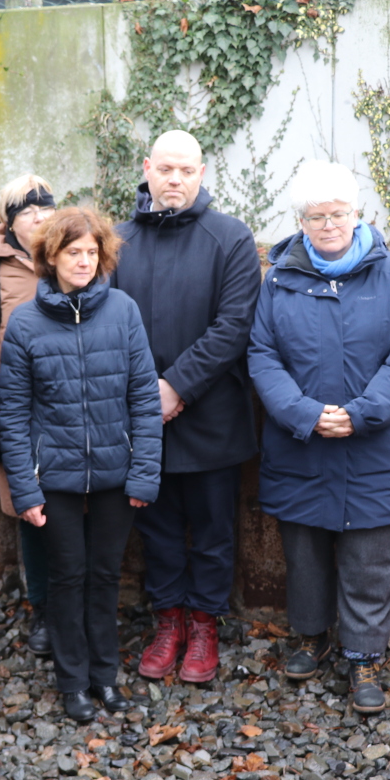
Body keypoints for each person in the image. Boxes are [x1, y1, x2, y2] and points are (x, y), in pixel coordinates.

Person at [247, 161, 390, 712]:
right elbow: (262, 354)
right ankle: (311, 635)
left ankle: (364, 655)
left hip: (372, 443)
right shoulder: (277, 279)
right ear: (300, 220)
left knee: (370, 554)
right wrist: (303, 413)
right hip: (300, 442)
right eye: (316, 216)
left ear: (358, 214)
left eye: (338, 214)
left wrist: (363, 412)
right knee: (303, 550)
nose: (328, 224)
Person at [0, 207, 161, 723]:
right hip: (56, 478)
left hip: (116, 472)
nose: (85, 261)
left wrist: (144, 473)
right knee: (68, 576)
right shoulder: (24, 323)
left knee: (105, 576)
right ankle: (72, 683)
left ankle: (105, 677)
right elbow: (15, 414)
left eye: (92, 252)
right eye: (74, 252)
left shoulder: (124, 311)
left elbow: (144, 398)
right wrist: (25, 489)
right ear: (51, 256)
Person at [112, 129, 262, 685]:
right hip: (140, 418)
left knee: (213, 528)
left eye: (187, 170)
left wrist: (175, 387)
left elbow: (234, 326)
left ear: (203, 174)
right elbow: (106, 324)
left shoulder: (231, 238)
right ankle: (168, 620)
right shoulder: (119, 241)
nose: (175, 179)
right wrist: (143, 392)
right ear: (147, 168)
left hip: (211, 416)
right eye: (166, 169)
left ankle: (204, 624)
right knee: (155, 527)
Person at [0, 174, 55, 655]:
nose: (39, 218)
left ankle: (77, 604)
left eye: (45, 208)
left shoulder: (75, 257)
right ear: (10, 222)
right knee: (34, 517)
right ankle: (42, 609)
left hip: (76, 419)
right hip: (22, 422)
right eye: (27, 212)